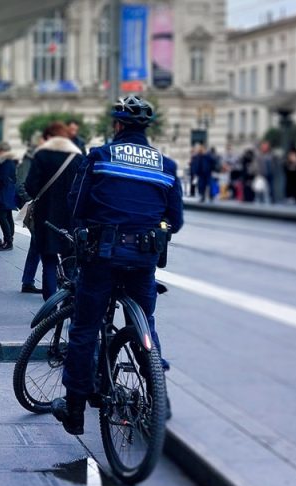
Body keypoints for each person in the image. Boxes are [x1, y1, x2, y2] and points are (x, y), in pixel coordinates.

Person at [51, 95, 184, 436]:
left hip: (102, 258)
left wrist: (83, 226)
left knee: (84, 328)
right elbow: (175, 220)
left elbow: (76, 205)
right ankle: (158, 395)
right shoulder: (165, 166)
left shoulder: (99, 157)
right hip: (143, 260)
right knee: (145, 323)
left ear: (118, 125)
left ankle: (75, 409)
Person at [25, 121, 84, 300]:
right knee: (71, 262)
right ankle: (71, 302)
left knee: (49, 261)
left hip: (47, 216)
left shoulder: (42, 156)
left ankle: (50, 304)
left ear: (49, 137)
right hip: (71, 216)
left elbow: (30, 186)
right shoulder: (78, 157)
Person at [17, 133, 43, 294]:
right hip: (36, 208)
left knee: (36, 246)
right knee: (38, 245)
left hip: (41, 207)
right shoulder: (28, 160)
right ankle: (28, 281)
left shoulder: (40, 159)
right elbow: (20, 185)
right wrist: (33, 199)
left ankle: (28, 281)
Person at [0, 142, 19, 251]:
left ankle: (8, 241)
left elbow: (2, 178)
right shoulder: (11, 162)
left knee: (2, 217)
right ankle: (9, 239)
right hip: (9, 192)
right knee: (8, 216)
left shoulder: (5, 163)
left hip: (4, 193)